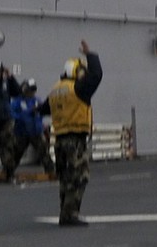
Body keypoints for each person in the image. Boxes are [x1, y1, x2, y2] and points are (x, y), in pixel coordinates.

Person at [45, 41, 103, 227]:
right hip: (75, 140)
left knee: (65, 178)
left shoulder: (56, 90)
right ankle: (70, 214)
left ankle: (65, 212)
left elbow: (42, 109)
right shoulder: (78, 89)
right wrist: (90, 54)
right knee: (79, 177)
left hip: (60, 140)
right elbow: (97, 75)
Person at [7, 78, 48, 180]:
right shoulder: (17, 102)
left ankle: (51, 171)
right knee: (16, 153)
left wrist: (39, 118)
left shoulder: (37, 100)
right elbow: (11, 113)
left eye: (33, 89)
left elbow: (42, 112)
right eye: (30, 89)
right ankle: (8, 172)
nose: (32, 92)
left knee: (44, 152)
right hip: (21, 132)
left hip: (36, 132)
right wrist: (25, 114)